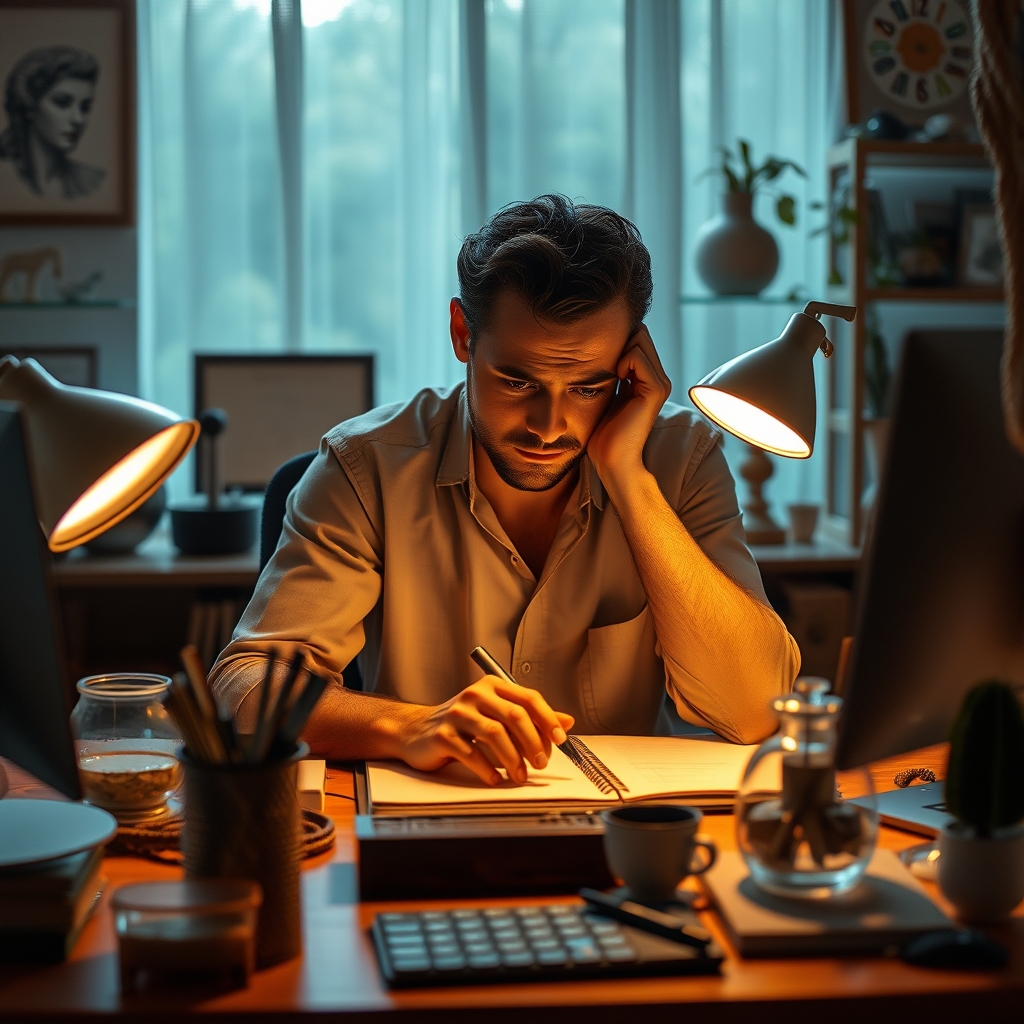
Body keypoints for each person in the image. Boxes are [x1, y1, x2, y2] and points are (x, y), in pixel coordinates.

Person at [211, 195, 799, 785]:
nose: (549, 426)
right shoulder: (365, 467)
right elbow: (245, 685)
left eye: (588, 387)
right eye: (517, 381)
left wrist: (628, 478)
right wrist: (410, 726)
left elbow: (755, 712)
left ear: (629, 362)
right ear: (463, 334)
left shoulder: (680, 459)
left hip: (626, 837)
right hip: (430, 822)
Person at [0, 46, 105, 200]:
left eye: (85, 107)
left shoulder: (93, 182)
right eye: (62, 103)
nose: (78, 119)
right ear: (30, 106)